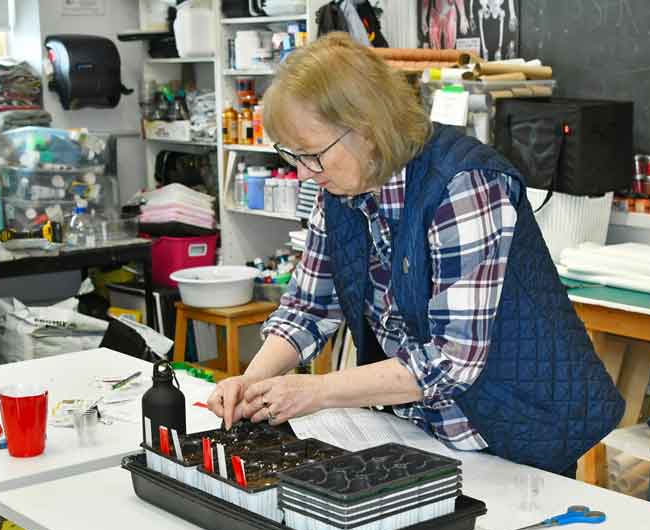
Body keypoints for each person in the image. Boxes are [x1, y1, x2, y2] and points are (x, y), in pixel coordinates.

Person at [207, 33, 624, 475]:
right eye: (292, 156)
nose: (304, 174)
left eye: (312, 155)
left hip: (515, 434)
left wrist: (317, 391)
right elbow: (308, 308)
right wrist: (253, 381)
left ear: (367, 130)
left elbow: (451, 361)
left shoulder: (464, 185)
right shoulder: (340, 189)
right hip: (420, 430)